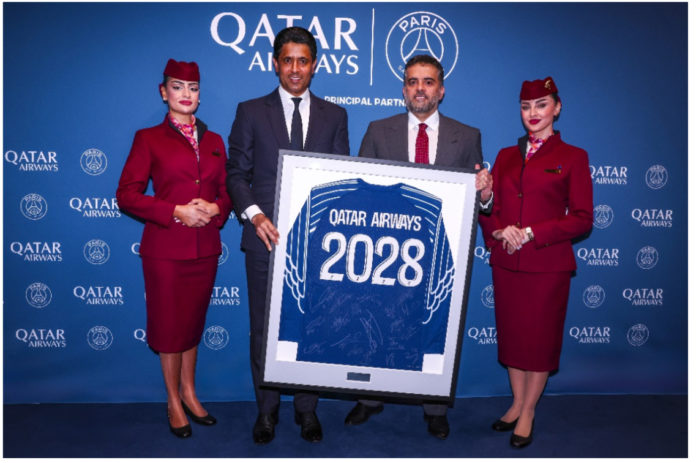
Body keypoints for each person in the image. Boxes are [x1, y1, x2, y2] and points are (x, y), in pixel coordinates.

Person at [347, 54, 494, 440]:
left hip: (444, 251)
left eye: (428, 82)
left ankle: (435, 404)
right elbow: (361, 191)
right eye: (412, 81)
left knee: (438, 328)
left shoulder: (468, 136)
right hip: (387, 252)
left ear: (441, 90)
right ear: (403, 90)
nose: (420, 89)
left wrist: (486, 195)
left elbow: (478, 199)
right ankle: (369, 397)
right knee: (376, 323)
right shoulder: (379, 130)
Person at [226, 26, 350, 445]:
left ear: (315, 65)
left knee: (310, 327)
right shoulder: (250, 111)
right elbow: (236, 174)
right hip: (264, 240)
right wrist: (255, 215)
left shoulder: (335, 115)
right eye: (287, 60)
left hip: (318, 245)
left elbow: (341, 179)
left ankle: (306, 409)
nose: (295, 68)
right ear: (275, 63)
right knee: (263, 329)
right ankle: (267, 410)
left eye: (303, 60)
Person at [116, 59, 233, 439]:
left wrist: (216, 208)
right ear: (163, 92)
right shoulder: (148, 138)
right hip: (165, 251)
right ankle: (172, 401)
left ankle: (190, 393)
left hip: (205, 250)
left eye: (193, 88)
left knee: (192, 324)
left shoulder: (215, 141)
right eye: (178, 86)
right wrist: (175, 211)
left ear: (200, 95)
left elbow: (227, 192)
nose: (186, 94)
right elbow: (126, 195)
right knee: (169, 327)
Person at [478, 77, 593, 448]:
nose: (533, 113)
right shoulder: (505, 156)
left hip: (547, 266)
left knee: (540, 342)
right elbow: (490, 208)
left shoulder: (573, 157)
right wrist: (496, 225)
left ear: (556, 108)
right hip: (507, 263)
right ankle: (516, 403)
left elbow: (582, 219)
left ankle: (528, 411)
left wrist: (531, 232)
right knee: (513, 338)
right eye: (526, 106)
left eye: (541, 105)